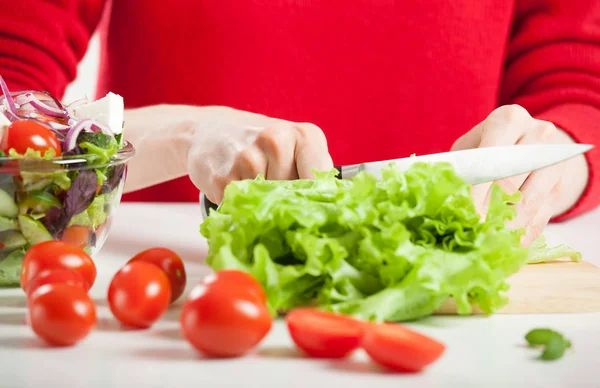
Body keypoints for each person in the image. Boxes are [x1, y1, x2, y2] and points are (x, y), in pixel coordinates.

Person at [0, 1, 597, 246]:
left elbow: (576, 89)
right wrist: (184, 133)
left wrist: (554, 156)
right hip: (173, 275)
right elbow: (11, 91)